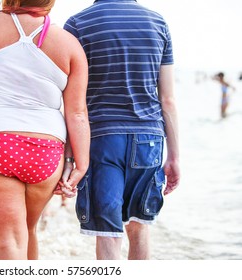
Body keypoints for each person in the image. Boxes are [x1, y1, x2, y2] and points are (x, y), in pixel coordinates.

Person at [0, 0, 90, 260]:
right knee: (27, 231)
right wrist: (79, 165)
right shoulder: (69, 43)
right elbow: (77, 114)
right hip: (46, 151)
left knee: (8, 244)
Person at [64, 0, 180, 260]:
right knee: (140, 227)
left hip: (101, 138)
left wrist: (69, 158)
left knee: (108, 232)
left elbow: (73, 102)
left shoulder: (78, 24)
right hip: (149, 139)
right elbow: (168, 100)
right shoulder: (158, 23)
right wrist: (174, 156)